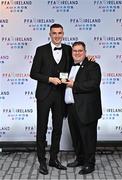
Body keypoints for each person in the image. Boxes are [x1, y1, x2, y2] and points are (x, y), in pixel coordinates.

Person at [30, 23, 94, 175]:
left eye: (60, 33)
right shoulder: (41, 50)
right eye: (54, 33)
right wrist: (49, 79)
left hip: (60, 96)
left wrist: (89, 57)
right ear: (50, 34)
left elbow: (78, 62)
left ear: (63, 34)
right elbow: (33, 73)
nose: (57, 36)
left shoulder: (67, 49)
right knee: (42, 128)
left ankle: (53, 158)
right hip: (44, 95)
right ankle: (42, 161)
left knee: (57, 128)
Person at [64, 41, 102, 174]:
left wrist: (75, 84)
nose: (77, 53)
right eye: (75, 51)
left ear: (85, 52)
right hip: (71, 108)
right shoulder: (69, 66)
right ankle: (80, 159)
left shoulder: (93, 66)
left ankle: (89, 163)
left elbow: (93, 84)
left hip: (87, 109)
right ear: (72, 52)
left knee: (88, 138)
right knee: (76, 137)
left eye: (80, 51)